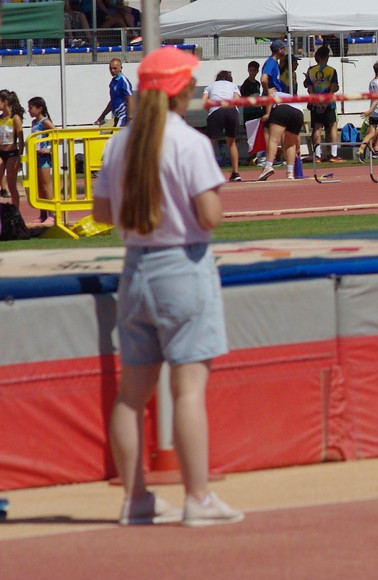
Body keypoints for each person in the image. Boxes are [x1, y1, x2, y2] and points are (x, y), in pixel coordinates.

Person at [91, 46, 243, 528]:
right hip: (183, 265)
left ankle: (135, 499)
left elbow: (101, 213)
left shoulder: (120, 143)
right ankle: (197, 498)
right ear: (181, 92)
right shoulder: (189, 143)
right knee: (188, 390)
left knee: (131, 394)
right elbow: (210, 216)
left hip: (136, 267)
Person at [257, 40, 304, 181]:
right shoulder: (272, 63)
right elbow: (265, 79)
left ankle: (268, 165)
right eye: (283, 48)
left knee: (273, 139)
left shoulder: (272, 63)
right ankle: (290, 173)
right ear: (279, 50)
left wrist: (267, 94)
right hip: (297, 109)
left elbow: (263, 80)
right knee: (289, 143)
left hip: (280, 104)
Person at [202, 71, 242, 182]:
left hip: (216, 110)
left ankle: (208, 173)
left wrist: (210, 111)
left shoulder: (210, 86)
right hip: (231, 110)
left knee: (210, 142)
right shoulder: (233, 85)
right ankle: (236, 173)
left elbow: (204, 101)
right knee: (232, 143)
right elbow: (237, 100)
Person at [304, 44, 340, 162]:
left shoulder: (311, 71)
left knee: (317, 128)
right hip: (329, 104)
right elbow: (333, 88)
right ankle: (333, 155)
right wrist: (326, 102)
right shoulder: (332, 71)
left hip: (316, 103)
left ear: (317, 57)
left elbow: (310, 90)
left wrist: (317, 102)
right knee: (333, 126)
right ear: (327, 57)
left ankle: (317, 155)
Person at [26, 96, 55, 223]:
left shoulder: (45, 122)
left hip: (44, 157)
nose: (29, 110)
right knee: (39, 186)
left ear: (40, 108)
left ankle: (52, 214)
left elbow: (57, 135)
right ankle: (43, 214)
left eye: (31, 108)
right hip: (35, 156)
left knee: (46, 185)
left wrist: (49, 149)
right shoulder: (34, 123)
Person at [0, 90, 23, 216]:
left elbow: (21, 140)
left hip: (12, 153)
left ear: (5, 102)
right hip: (0, 152)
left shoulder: (15, 118)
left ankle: (15, 213)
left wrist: (20, 158)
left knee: (12, 185)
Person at [97, 57, 135, 127]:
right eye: (111, 68)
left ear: (121, 68)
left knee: (116, 133)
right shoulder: (113, 82)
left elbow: (130, 99)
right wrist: (103, 115)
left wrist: (130, 118)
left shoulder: (123, 81)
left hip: (123, 117)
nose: (112, 71)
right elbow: (112, 101)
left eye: (115, 68)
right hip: (116, 117)